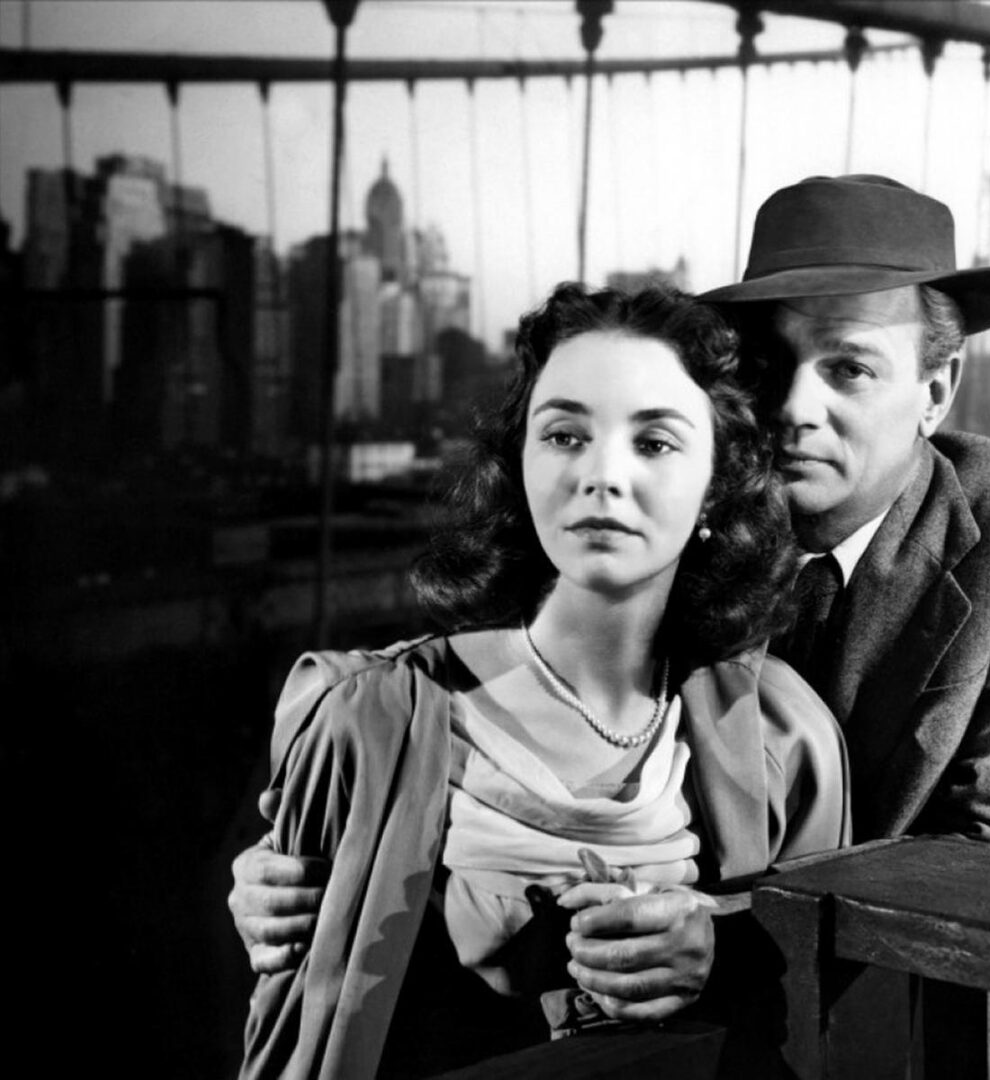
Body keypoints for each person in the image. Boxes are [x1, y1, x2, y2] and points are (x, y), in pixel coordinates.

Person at [232, 174, 990, 1026]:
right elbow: (500, 705)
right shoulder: (679, 500)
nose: (794, 408)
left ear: (936, 390)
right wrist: (318, 867)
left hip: (902, 1029)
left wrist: (736, 936)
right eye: (771, 365)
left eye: (849, 369)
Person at [237, 282, 849, 1079]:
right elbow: (294, 1030)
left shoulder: (779, 733)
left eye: (655, 443)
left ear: (715, 486)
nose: (603, 475)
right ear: (520, 463)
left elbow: (826, 1007)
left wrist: (724, 946)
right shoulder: (371, 717)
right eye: (564, 436)